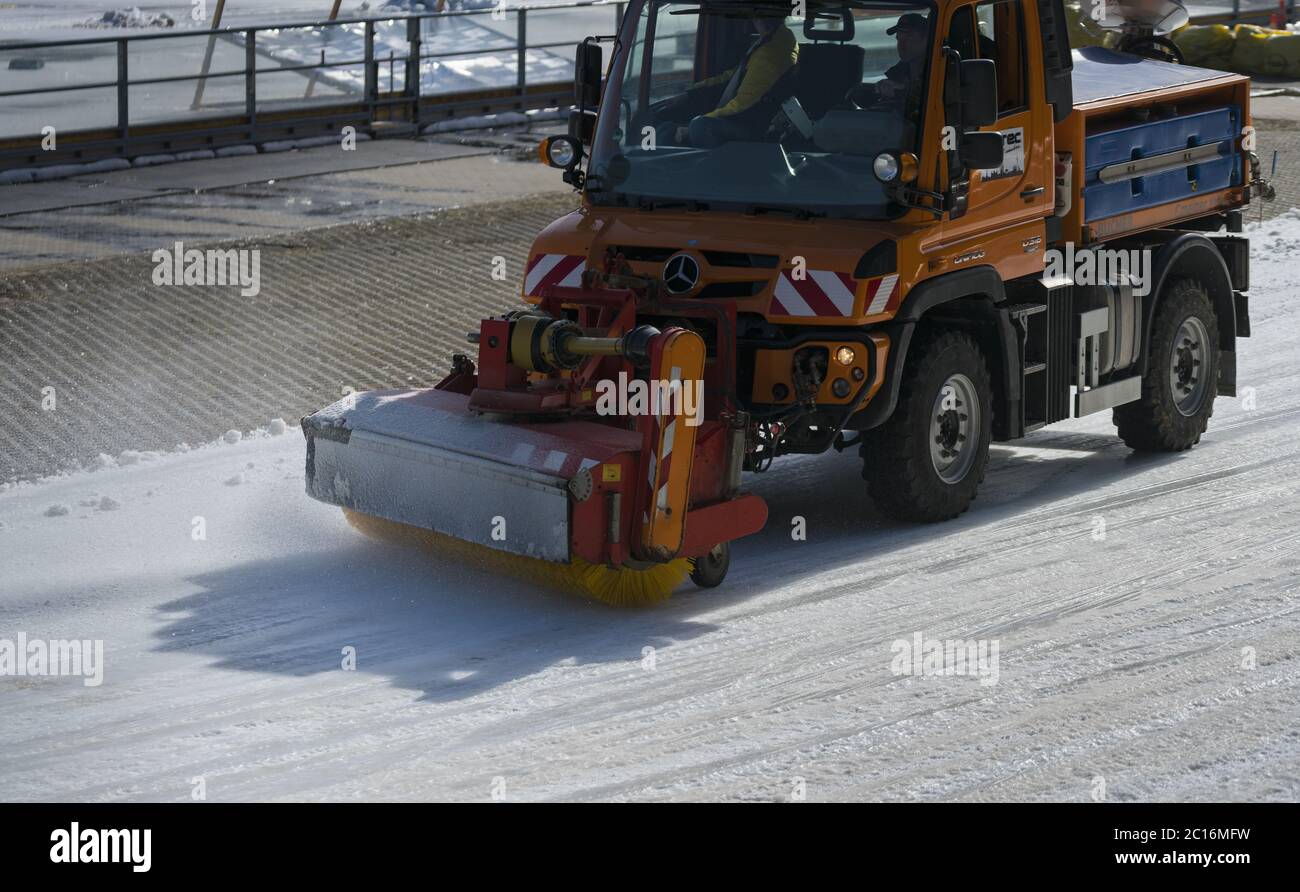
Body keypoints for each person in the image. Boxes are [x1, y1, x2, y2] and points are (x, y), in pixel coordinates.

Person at [675, 14, 799, 148]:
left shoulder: (771, 53)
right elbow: (733, 75)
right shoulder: (771, 40)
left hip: (752, 126)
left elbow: (742, 104)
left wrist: (699, 122)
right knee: (668, 127)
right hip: (749, 118)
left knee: (700, 126)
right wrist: (692, 91)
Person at [848, 12, 927, 119]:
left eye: (909, 39)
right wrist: (878, 91)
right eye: (899, 39)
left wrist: (904, 90)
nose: (901, 45)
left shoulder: (941, 69)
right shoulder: (898, 73)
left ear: (926, 40)